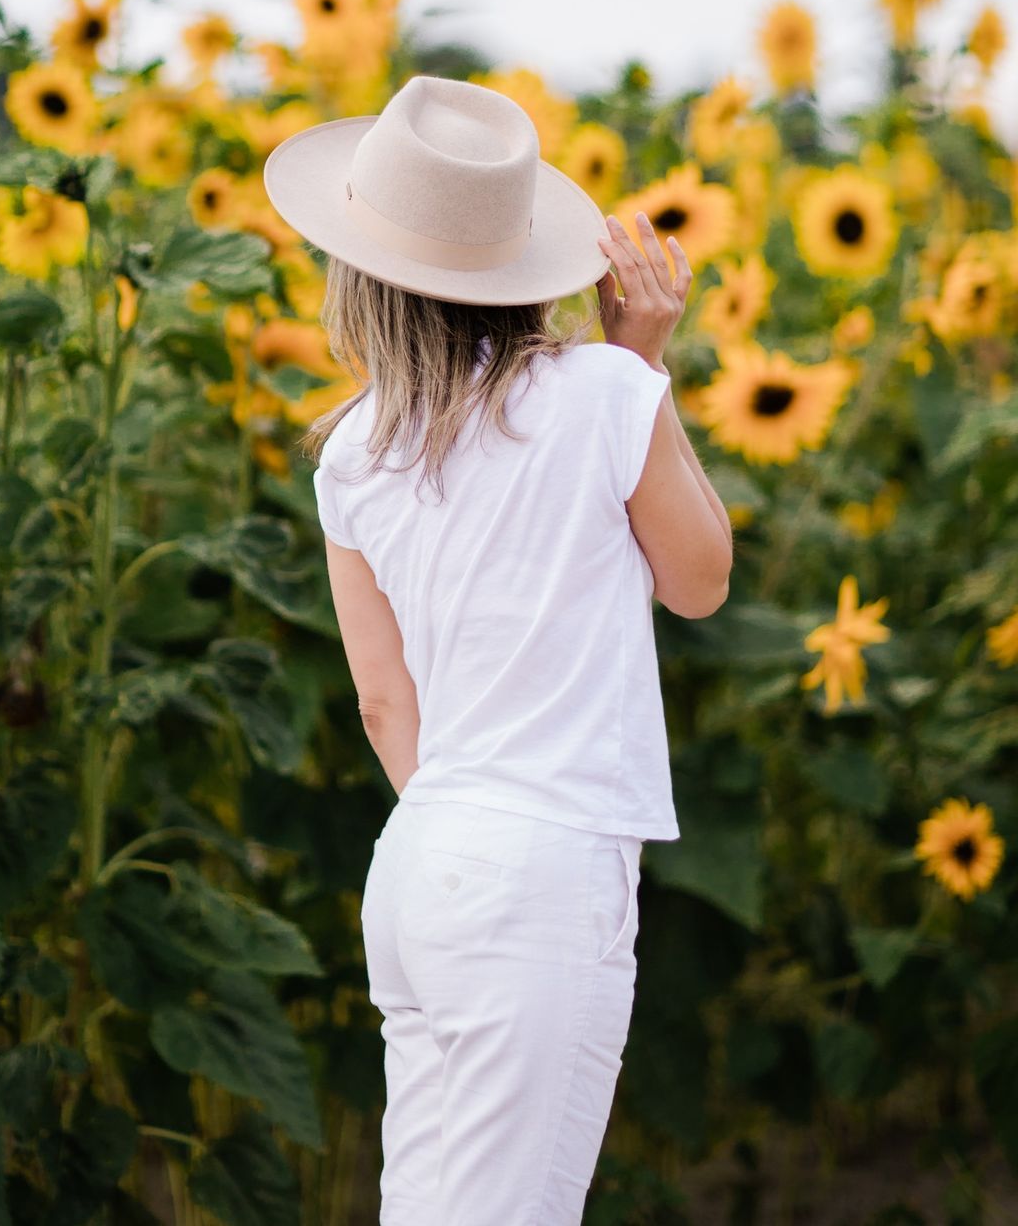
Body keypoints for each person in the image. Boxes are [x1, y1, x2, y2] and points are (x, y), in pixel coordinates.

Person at [263, 73, 733, 1225]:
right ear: (524, 263)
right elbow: (701, 582)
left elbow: (385, 707)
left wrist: (470, 837)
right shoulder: (605, 394)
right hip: (545, 865)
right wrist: (645, 363)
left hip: (424, 858)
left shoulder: (352, 455)